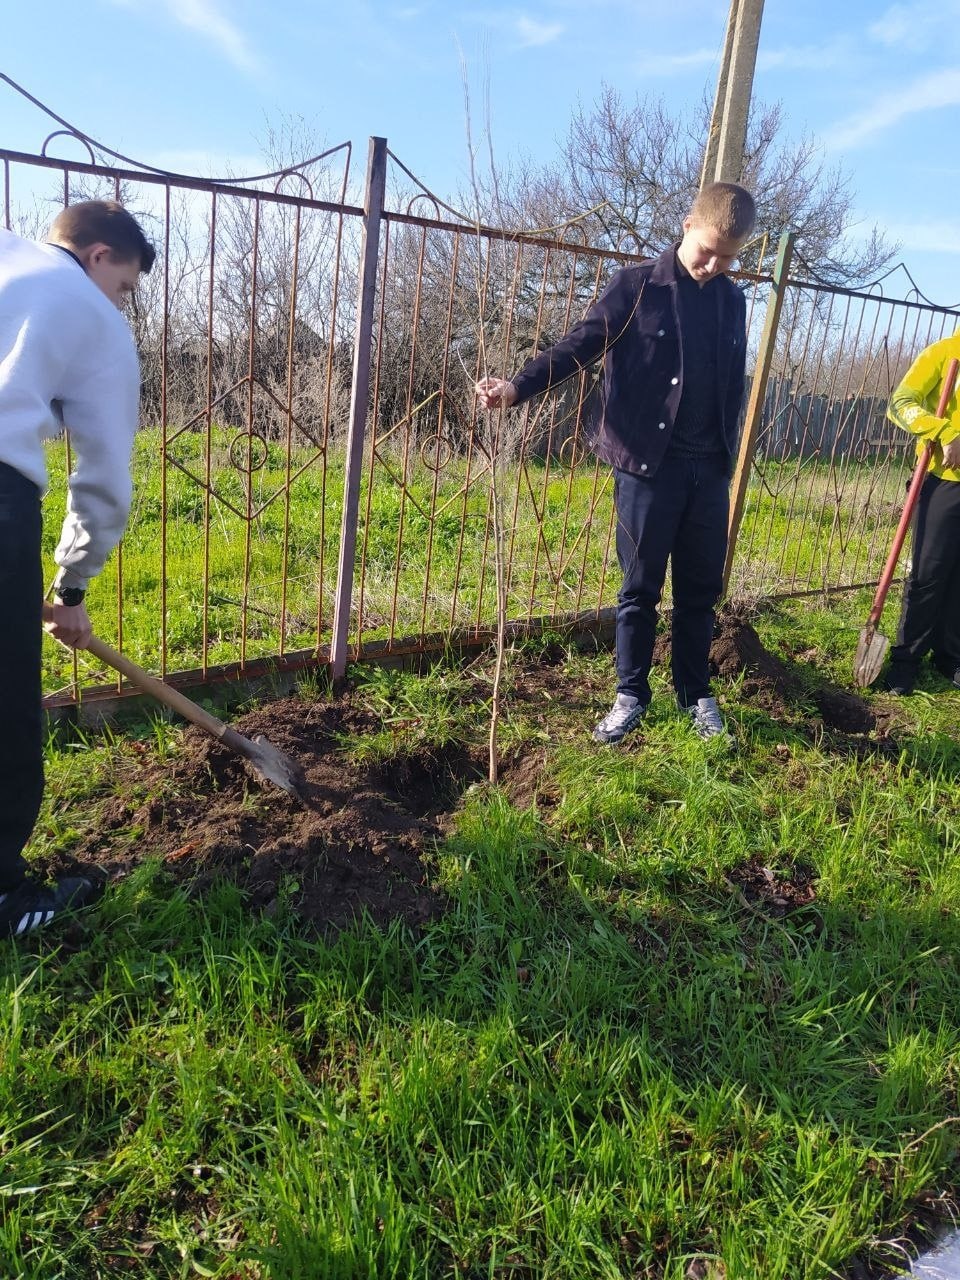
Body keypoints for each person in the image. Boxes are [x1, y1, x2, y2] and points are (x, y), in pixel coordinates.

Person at [475, 182, 756, 744]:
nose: (714, 266)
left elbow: (731, 383)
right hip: (648, 469)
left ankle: (695, 694)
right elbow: (580, 345)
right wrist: (516, 387)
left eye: (729, 258)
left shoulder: (731, 301)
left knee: (700, 592)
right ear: (686, 226)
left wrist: (726, 450)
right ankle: (631, 694)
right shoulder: (637, 288)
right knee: (639, 589)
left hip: (710, 471)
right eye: (708, 252)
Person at [0, 200, 155, 938]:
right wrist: (72, 585)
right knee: (4, 705)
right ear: (98, 257)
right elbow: (102, 478)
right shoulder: (94, 320)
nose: (122, 301)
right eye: (125, 285)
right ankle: (6, 897)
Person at [881, 337, 960, 696]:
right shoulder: (946, 352)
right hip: (945, 480)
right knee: (928, 574)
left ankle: (950, 658)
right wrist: (944, 431)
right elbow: (899, 404)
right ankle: (906, 662)